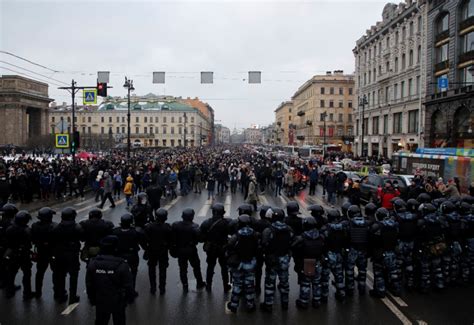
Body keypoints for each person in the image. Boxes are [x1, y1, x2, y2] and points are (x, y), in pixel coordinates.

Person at [86, 235, 134, 325]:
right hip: (118, 301)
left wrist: (92, 299)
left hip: (101, 300)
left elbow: (89, 284)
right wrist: (128, 299)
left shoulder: (93, 263)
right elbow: (128, 285)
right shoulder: (122, 264)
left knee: (100, 321)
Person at [260, 208, 294, 312]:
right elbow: (292, 242)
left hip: (272, 259)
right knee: (284, 282)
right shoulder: (289, 229)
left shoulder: (268, 230)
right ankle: (285, 303)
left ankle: (268, 304)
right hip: (284, 258)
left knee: (270, 283)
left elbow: (264, 244)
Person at [225, 214, 259, 313]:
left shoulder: (236, 236)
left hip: (238, 264)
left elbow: (229, 249)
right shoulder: (254, 235)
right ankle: (250, 304)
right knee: (249, 285)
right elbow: (257, 248)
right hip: (250, 264)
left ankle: (234, 305)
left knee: (237, 285)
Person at [292, 216, 325, 309]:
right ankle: (317, 301)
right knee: (317, 283)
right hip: (318, 261)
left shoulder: (302, 237)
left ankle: (304, 302)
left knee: (306, 283)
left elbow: (294, 248)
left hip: (308, 262)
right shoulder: (321, 236)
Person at [52, 207, 82, 304]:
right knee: (73, 277)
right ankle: (72, 297)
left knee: (60, 276)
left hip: (59, 255)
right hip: (73, 255)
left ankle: (61, 296)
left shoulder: (56, 228)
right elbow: (83, 238)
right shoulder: (77, 227)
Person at [171, 208, 206, 292]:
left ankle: (185, 285)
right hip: (191, 250)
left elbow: (172, 237)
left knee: (183, 268)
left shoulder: (176, 225)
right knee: (196, 267)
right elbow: (201, 239)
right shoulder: (195, 226)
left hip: (180, 250)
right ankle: (199, 282)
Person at [369, 208, 401, 298]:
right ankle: (397, 290)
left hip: (381, 253)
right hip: (392, 252)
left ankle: (381, 292)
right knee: (394, 272)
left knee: (379, 274)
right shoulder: (395, 225)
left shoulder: (377, 226)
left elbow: (373, 240)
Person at [200, 203, 231, 292]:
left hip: (211, 249)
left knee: (210, 267)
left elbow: (201, 237)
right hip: (223, 248)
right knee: (224, 268)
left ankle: (208, 285)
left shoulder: (207, 223)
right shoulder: (227, 223)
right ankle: (225, 286)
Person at [112, 213, 145, 298]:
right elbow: (143, 243)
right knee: (133, 274)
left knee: (118, 274)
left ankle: (120, 291)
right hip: (132, 255)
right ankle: (131, 292)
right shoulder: (136, 231)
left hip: (119, 256)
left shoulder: (115, 231)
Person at [4, 210, 34, 299]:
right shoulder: (27, 230)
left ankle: (9, 291)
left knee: (11, 273)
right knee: (27, 274)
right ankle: (27, 293)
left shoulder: (9, 229)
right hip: (24, 255)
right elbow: (30, 241)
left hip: (12, 253)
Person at [143, 208, 172, 295]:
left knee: (151, 269)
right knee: (163, 270)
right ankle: (162, 289)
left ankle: (153, 288)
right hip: (163, 251)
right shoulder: (167, 228)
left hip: (151, 251)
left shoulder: (149, 226)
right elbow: (171, 241)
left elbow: (144, 239)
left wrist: (147, 248)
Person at [321, 209, 348, 301]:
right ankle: (341, 293)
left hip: (328, 255)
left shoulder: (325, 229)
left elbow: (322, 243)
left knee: (325, 277)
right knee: (339, 276)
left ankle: (324, 296)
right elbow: (346, 242)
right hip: (339, 254)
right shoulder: (343, 229)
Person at [31, 207, 57, 298]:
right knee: (56, 273)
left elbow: (32, 239)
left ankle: (38, 292)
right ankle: (57, 293)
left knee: (39, 273)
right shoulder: (55, 226)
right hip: (53, 252)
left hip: (41, 252)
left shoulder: (34, 226)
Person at [393, 199, 418, 290]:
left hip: (400, 242)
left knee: (399, 264)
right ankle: (410, 284)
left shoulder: (396, 217)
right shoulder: (413, 216)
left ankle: (398, 286)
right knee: (409, 263)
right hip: (411, 242)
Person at [345, 205, 369, 296]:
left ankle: (350, 289)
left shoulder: (348, 223)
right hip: (363, 249)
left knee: (350, 270)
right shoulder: (366, 223)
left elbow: (346, 236)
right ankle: (362, 288)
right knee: (362, 270)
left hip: (352, 249)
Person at [0, 203, 18, 288]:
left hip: (1, 247)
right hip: (8, 249)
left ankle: (3, 282)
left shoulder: (1, 221)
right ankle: (10, 286)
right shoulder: (12, 224)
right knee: (11, 268)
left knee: (2, 266)